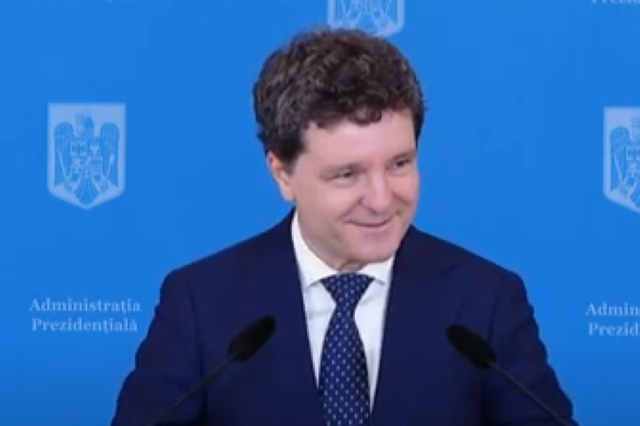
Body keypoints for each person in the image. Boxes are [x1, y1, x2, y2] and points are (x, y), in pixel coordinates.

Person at [111, 27, 577, 426]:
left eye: (399, 164)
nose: (381, 199)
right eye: (347, 174)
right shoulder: (201, 302)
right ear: (282, 173)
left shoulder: (485, 300)